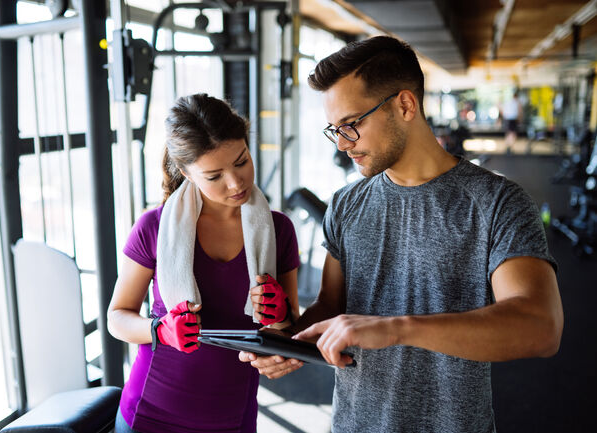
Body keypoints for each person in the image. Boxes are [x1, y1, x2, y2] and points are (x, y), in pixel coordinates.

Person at [240, 36, 563, 432]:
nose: (342, 144)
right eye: (334, 129)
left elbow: (540, 326)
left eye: (352, 125)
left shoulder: (496, 202)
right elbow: (330, 304)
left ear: (405, 105)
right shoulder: (346, 204)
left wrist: (396, 328)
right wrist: (293, 343)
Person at [108, 93, 300, 433]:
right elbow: (117, 317)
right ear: (186, 172)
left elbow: (290, 330)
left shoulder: (278, 230)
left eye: (241, 161)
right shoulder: (154, 226)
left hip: (233, 416)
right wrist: (160, 331)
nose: (235, 182)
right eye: (214, 176)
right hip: (150, 415)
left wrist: (280, 314)